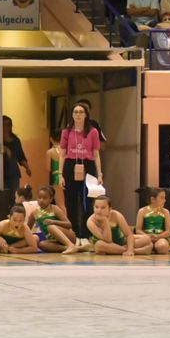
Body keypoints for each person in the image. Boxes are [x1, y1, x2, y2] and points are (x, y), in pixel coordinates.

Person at [58, 100, 103, 239]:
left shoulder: (93, 132)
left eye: (81, 112)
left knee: (87, 202)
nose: (78, 115)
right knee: (71, 201)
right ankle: (74, 233)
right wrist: (60, 174)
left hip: (88, 166)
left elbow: (96, 154)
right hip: (71, 165)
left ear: (86, 115)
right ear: (72, 115)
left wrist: (99, 174)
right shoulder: (66, 132)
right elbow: (62, 153)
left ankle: (86, 233)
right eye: (75, 112)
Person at [30, 186, 76, 253]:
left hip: (69, 236)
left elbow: (69, 225)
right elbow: (27, 229)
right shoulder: (34, 213)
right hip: (55, 241)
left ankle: (70, 245)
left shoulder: (55, 209)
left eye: (45, 198)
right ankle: (73, 248)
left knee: (51, 227)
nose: (41, 200)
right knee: (41, 244)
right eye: (39, 197)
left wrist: (53, 222)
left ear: (51, 199)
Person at [135, 187, 170, 254]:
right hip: (146, 237)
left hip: (160, 237)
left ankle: (155, 247)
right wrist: (147, 236)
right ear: (153, 199)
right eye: (161, 198)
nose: (164, 200)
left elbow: (168, 231)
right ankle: (150, 247)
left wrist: (158, 236)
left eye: (164, 198)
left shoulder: (166, 212)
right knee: (141, 244)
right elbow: (138, 230)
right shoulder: (142, 211)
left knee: (162, 247)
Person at [1, 115, 31, 190]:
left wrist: (27, 168)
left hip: (13, 172)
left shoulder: (16, 140)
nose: (6, 127)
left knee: (14, 194)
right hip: (1, 172)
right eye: (4, 124)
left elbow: (21, 156)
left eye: (8, 124)